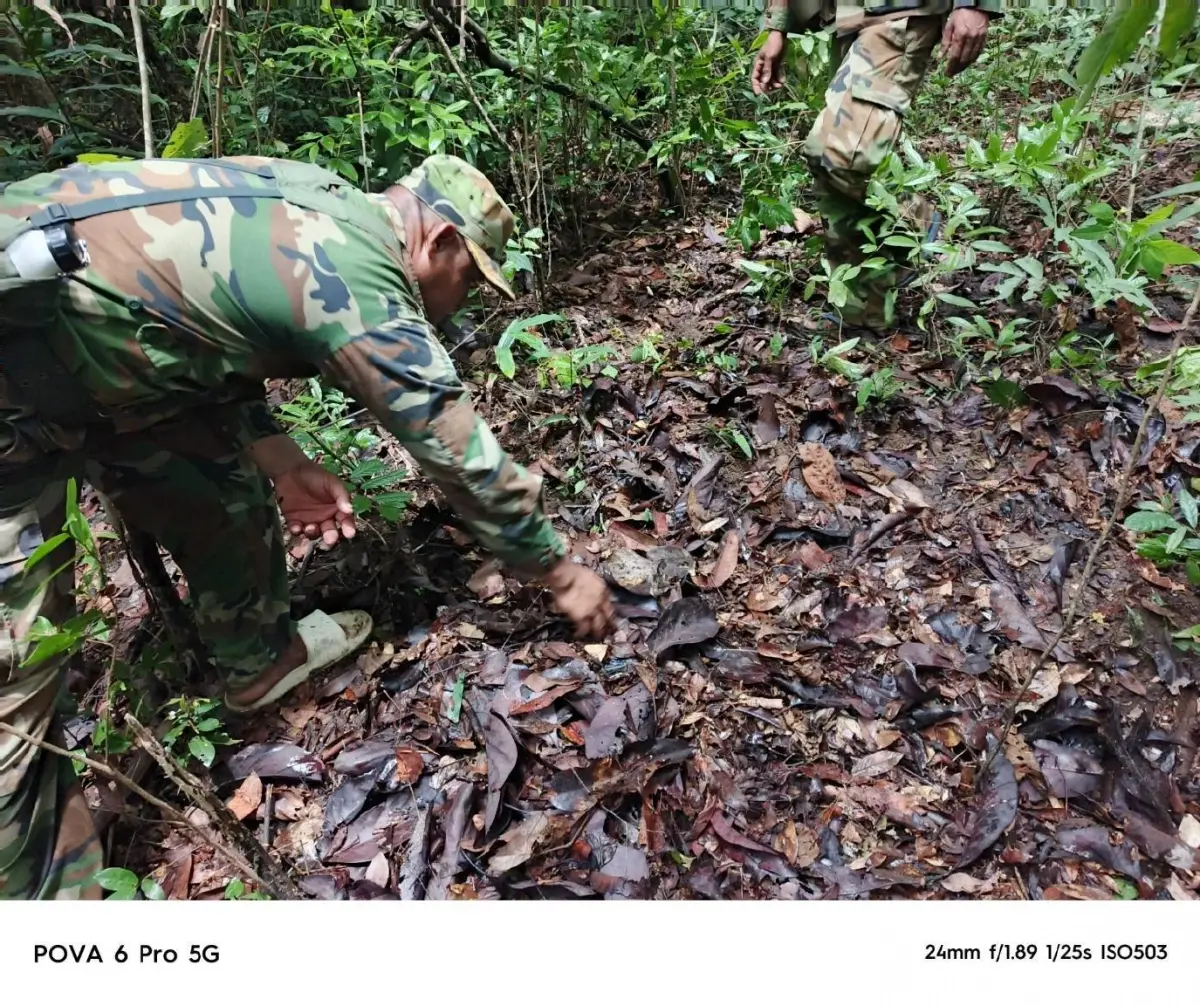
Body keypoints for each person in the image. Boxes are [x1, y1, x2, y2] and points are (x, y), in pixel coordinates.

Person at [0, 153, 613, 899]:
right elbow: (454, 446)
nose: (466, 300)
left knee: (218, 488)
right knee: (14, 692)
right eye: (472, 279)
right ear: (442, 241)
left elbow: (190, 325)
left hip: (81, 364)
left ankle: (258, 662)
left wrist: (281, 458)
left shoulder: (313, 197)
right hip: (16, 381)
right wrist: (559, 571)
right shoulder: (358, 274)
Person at [752, 0, 1001, 331]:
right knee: (830, 162)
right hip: (844, 14)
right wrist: (776, 26)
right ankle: (863, 313)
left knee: (839, 152)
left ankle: (910, 224)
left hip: (902, 10)